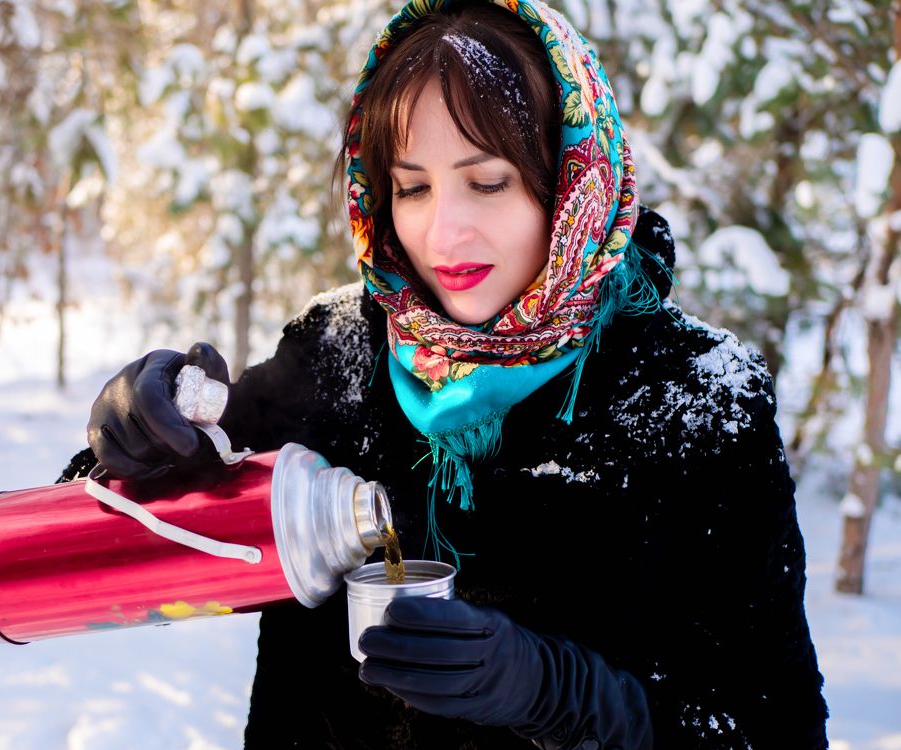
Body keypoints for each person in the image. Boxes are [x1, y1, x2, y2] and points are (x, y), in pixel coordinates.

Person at [70, 0, 829, 747]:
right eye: (412, 187)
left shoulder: (693, 396)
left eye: (487, 182)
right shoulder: (334, 354)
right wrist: (136, 441)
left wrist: (564, 696)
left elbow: (775, 728)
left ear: (572, 178)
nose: (443, 233)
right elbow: (102, 555)